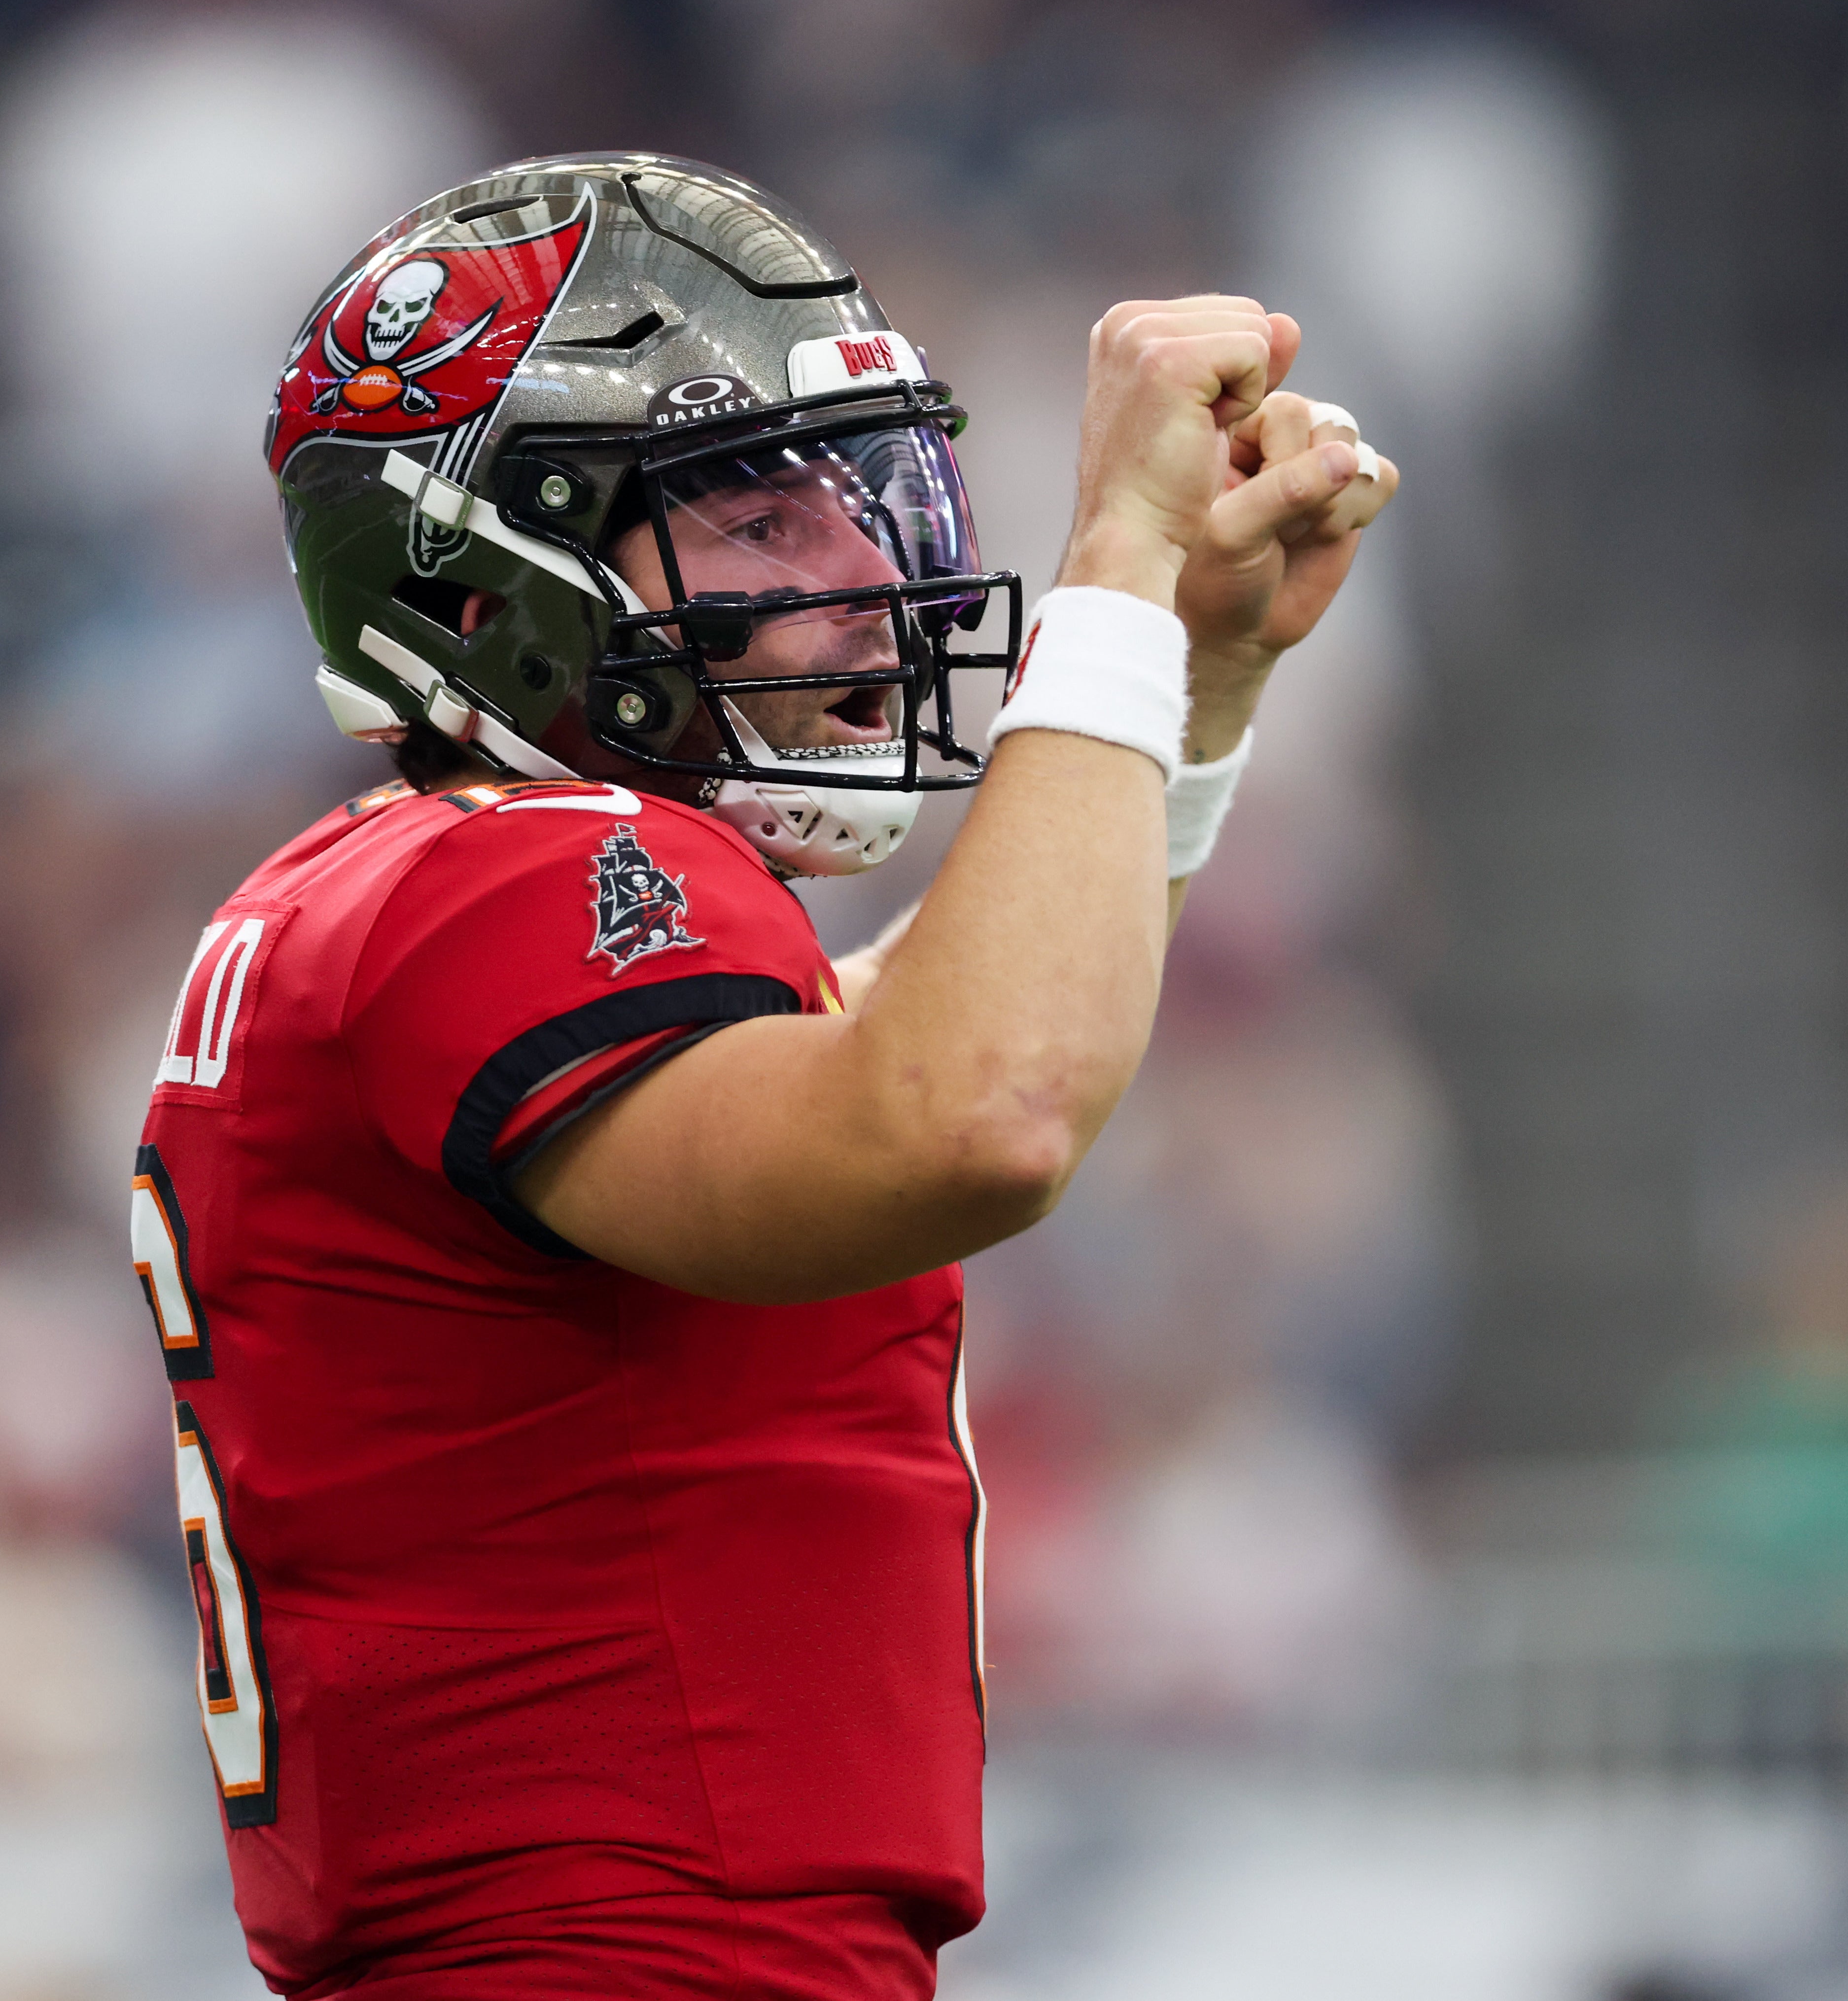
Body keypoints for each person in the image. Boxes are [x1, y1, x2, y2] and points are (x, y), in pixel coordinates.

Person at [131, 154, 1396, 2000]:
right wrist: (1112, 577)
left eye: (854, 499)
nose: (861, 573)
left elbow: (913, 1037)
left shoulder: (406, 889)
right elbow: (968, 1111)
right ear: (481, 582)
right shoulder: (518, 869)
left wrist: (1180, 699)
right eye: (755, 516)